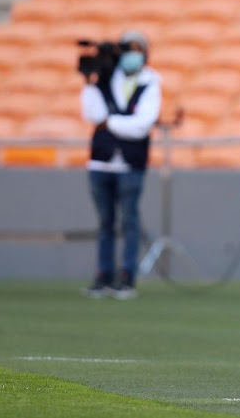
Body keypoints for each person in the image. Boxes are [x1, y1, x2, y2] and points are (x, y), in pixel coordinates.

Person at [80, 30, 162, 300]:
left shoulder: (151, 83)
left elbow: (142, 126)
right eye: (126, 49)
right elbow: (92, 113)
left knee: (129, 220)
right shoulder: (104, 79)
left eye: (137, 49)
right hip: (101, 162)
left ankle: (127, 277)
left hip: (131, 164)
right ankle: (103, 275)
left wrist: (110, 123)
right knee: (105, 222)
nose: (131, 55)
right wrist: (90, 80)